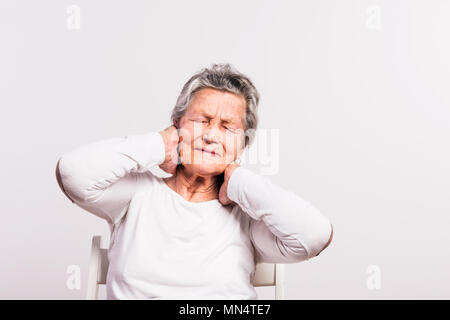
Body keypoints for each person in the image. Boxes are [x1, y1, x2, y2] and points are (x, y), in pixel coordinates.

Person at [55, 63, 333, 299]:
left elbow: (315, 235)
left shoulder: (246, 217)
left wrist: (238, 181)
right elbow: (73, 173)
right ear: (177, 125)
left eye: (227, 127)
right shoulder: (136, 194)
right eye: (202, 120)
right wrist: (158, 145)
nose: (212, 135)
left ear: (242, 144)